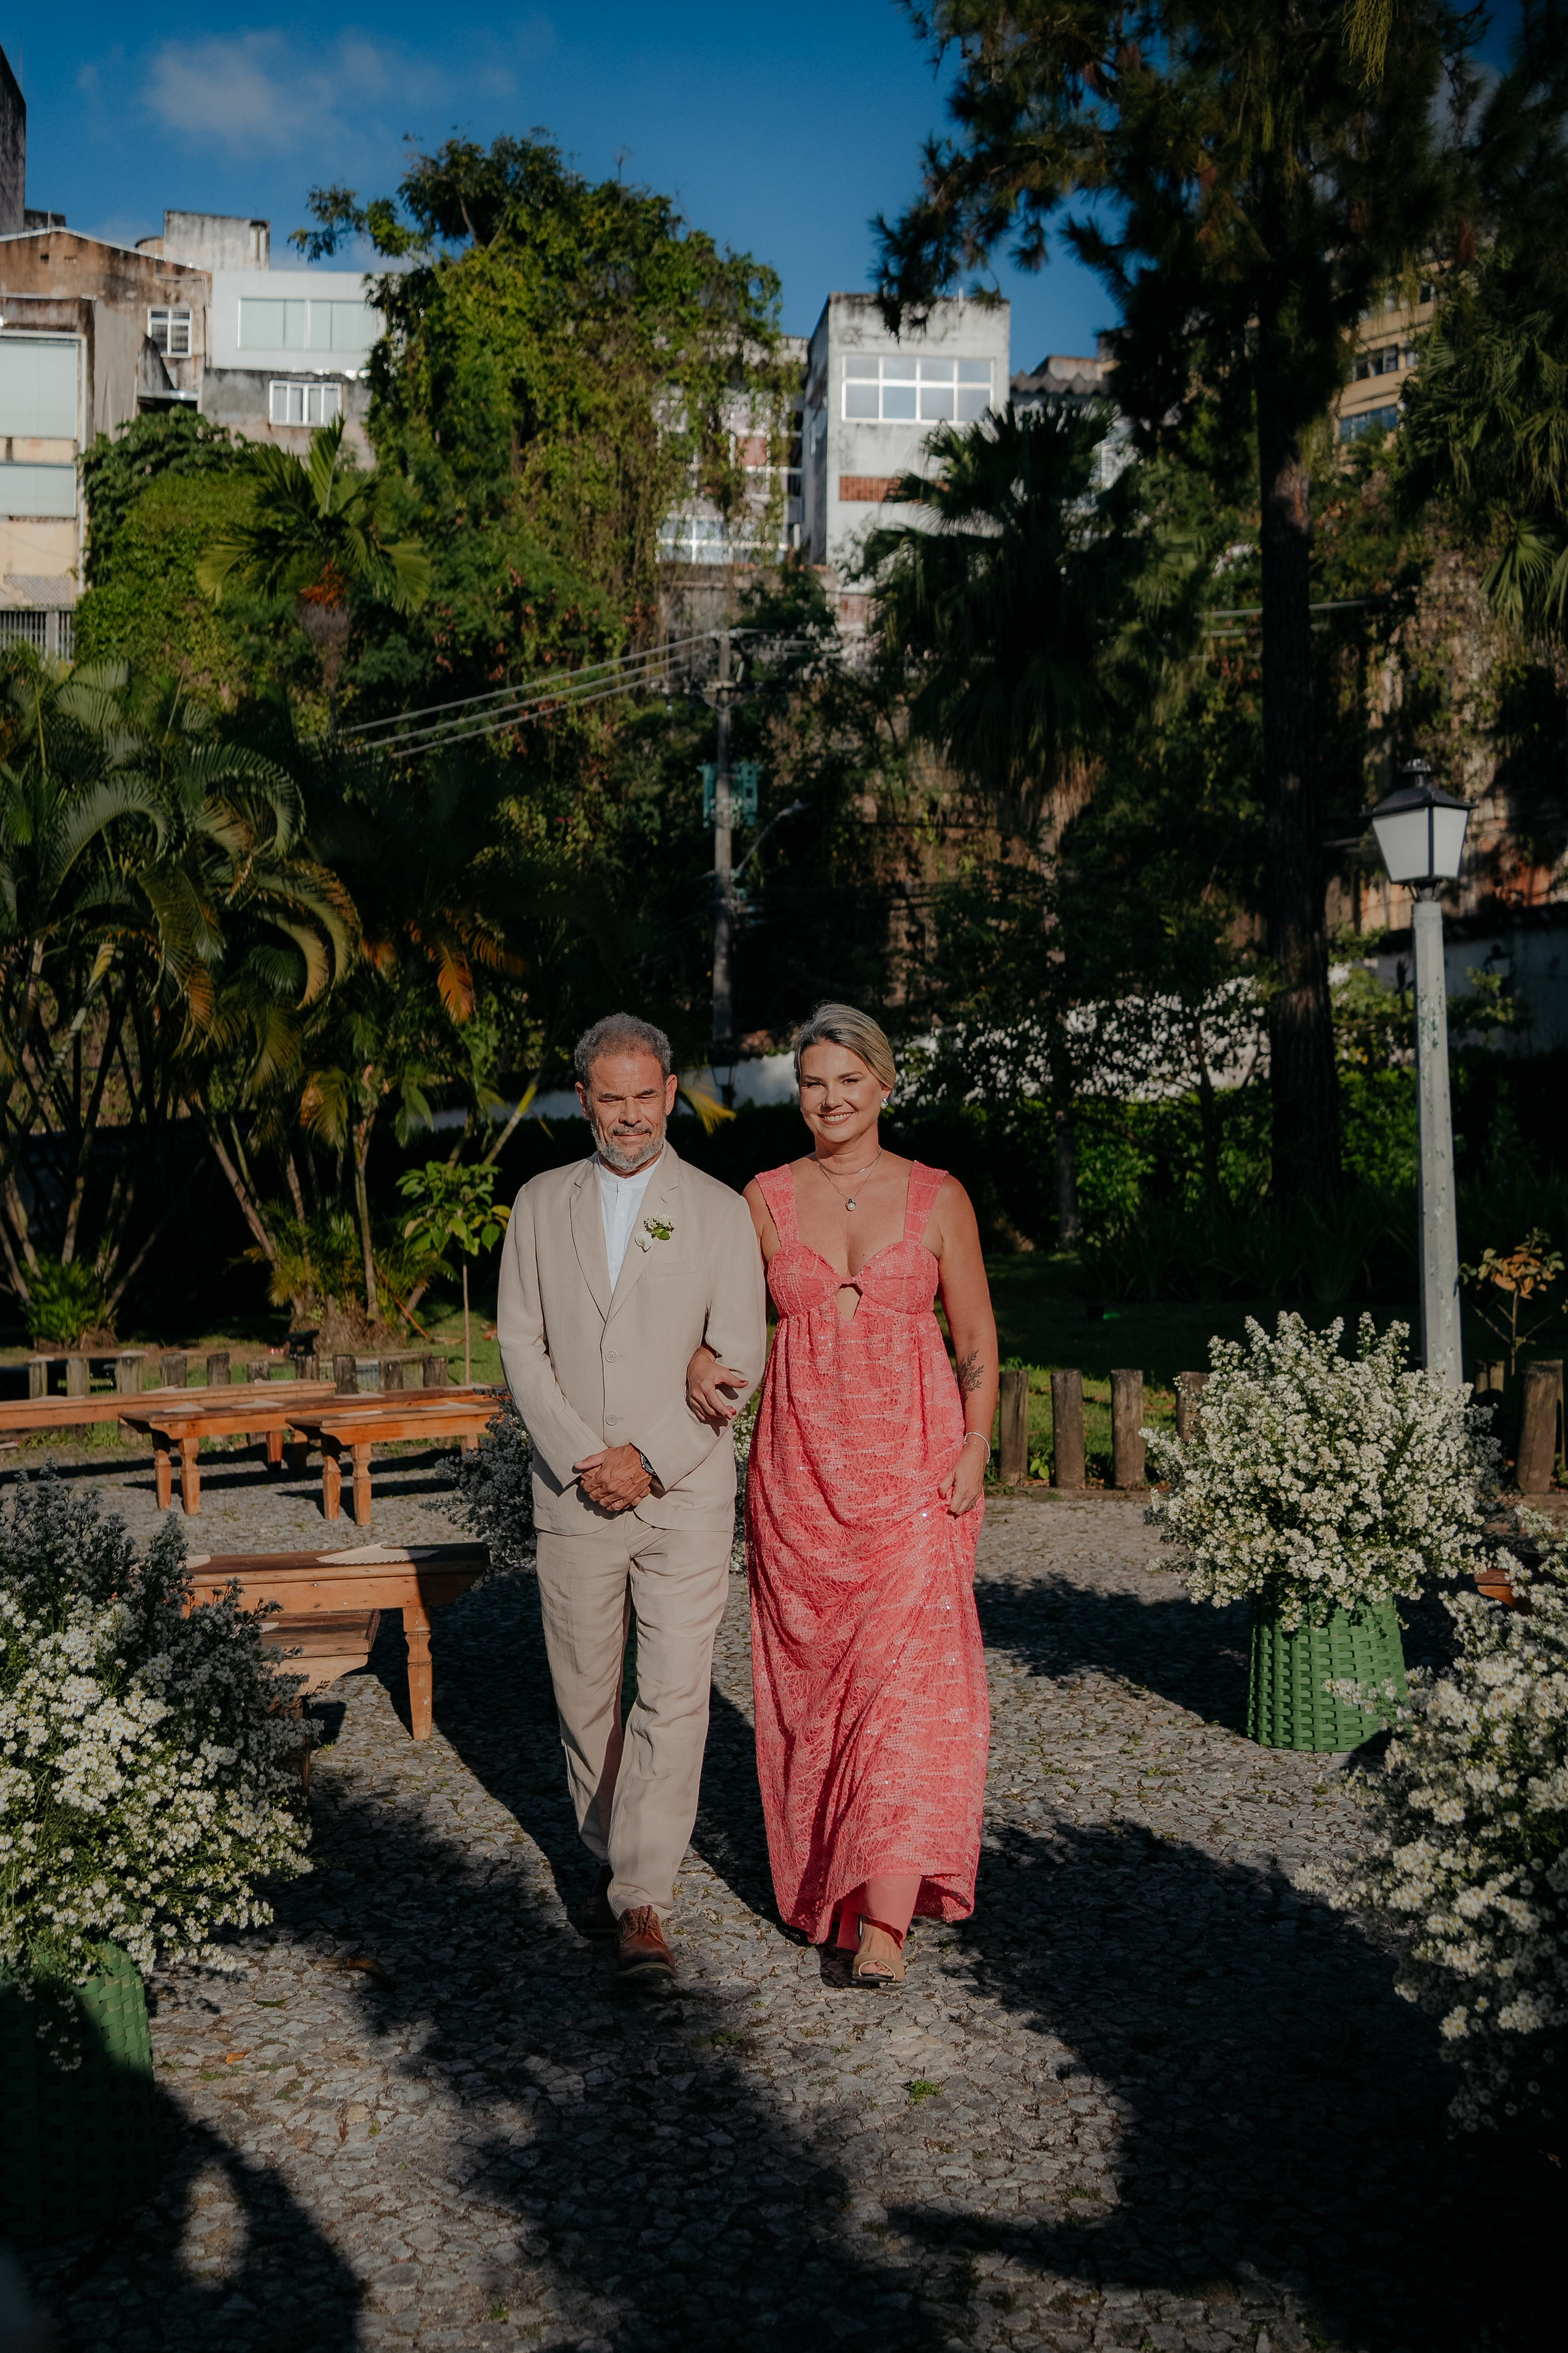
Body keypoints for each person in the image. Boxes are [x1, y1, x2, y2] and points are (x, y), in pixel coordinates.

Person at [687, 1003, 997, 1987]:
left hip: (916, 1472)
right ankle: (836, 1887)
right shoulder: (765, 1198)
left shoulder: (940, 1196)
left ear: (885, 1084)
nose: (831, 1099)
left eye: (849, 1080)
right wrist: (698, 1358)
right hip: (802, 1481)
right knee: (820, 1694)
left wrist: (977, 1443)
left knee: (907, 1690)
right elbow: (721, 1322)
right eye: (814, 1082)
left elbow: (977, 1339)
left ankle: (886, 1921)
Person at [497, 1013, 766, 1981]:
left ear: (670, 1094)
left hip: (683, 1492)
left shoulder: (719, 1210)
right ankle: (614, 1855)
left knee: (675, 1693)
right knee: (584, 1695)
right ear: (584, 1099)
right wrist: (585, 1457)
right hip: (574, 1492)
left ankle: (644, 1895)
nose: (630, 1115)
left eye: (646, 1095)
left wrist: (648, 1458)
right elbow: (520, 1343)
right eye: (611, 1098)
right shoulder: (538, 1203)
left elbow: (739, 1356)